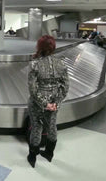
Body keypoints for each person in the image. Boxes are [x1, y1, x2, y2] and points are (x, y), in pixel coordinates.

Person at [27, 35, 69, 168]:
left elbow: (33, 89)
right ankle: (49, 153)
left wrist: (44, 104)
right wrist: (55, 103)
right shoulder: (61, 63)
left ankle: (32, 157)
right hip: (54, 103)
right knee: (52, 126)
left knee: (37, 127)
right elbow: (65, 86)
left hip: (37, 103)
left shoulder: (34, 64)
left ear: (39, 47)